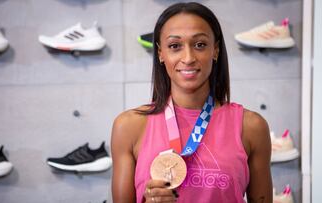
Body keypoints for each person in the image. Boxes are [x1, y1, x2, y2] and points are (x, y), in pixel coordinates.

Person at [111, 2, 272, 203]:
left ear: (215, 50)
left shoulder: (251, 127)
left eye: (200, 45)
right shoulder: (128, 126)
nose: (188, 58)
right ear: (161, 53)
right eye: (175, 46)